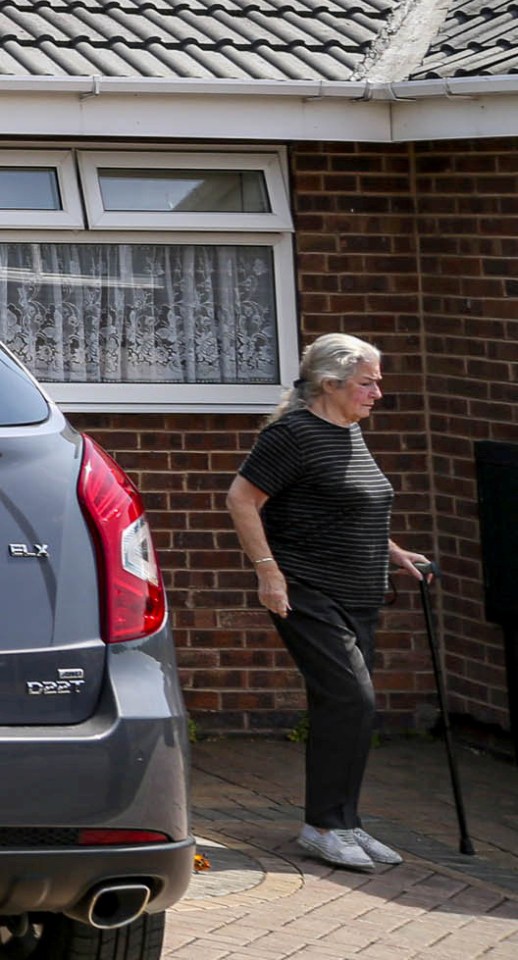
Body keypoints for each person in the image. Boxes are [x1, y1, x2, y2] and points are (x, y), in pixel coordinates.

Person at [226, 332, 431, 872]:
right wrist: (268, 573)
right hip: (307, 591)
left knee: (348, 710)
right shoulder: (294, 434)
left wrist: (394, 551)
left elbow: (347, 506)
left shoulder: (348, 432)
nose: (377, 394)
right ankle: (322, 827)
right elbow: (241, 499)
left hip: (358, 592)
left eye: (377, 383)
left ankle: (344, 822)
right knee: (351, 701)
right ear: (331, 383)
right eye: (368, 383)